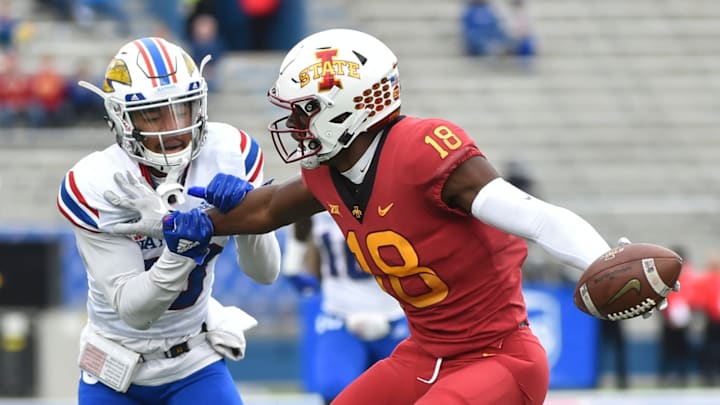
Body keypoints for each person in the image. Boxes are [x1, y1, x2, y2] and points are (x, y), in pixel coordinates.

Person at [103, 29, 678, 404]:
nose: (296, 127)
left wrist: (599, 256)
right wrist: (178, 218)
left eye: (305, 112)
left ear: (344, 105)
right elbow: (262, 212)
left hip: (497, 358)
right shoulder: (328, 171)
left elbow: (538, 217)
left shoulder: (425, 149)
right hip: (424, 353)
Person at [56, 37, 281, 404]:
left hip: (194, 361)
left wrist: (246, 218)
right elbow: (134, 311)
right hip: (115, 369)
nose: (173, 127)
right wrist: (179, 251)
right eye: (153, 114)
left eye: (184, 109)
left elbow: (265, 273)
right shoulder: (97, 181)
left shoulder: (228, 152)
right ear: (122, 118)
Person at [283, 212, 409, 404]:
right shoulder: (319, 192)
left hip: (395, 313)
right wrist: (292, 262)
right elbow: (302, 216)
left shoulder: (389, 192)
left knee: (411, 393)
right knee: (334, 391)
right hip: (339, 313)